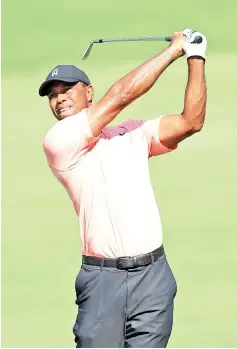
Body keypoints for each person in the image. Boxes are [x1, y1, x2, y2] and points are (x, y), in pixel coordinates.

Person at [39, 29, 207, 348]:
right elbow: (120, 96)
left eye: (66, 90)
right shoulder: (59, 142)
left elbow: (191, 121)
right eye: (52, 94)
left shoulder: (130, 134)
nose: (59, 99)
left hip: (153, 277)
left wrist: (196, 56)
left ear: (89, 92)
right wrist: (174, 51)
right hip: (103, 280)